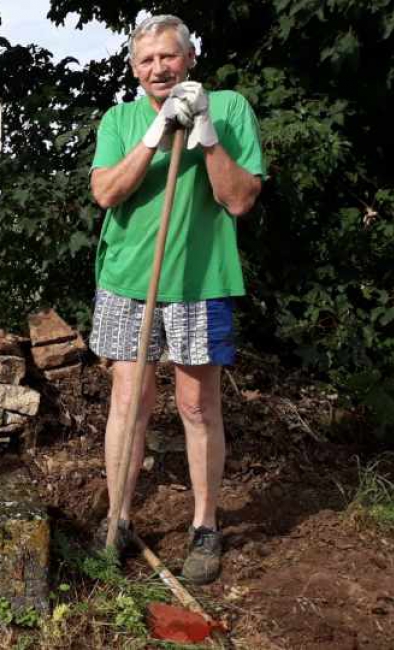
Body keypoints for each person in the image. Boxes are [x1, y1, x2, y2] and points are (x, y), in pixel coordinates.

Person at [88, 15, 265, 585]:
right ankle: (117, 519)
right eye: (146, 60)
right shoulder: (119, 119)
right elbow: (107, 191)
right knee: (128, 403)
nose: (158, 68)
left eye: (168, 56)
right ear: (135, 70)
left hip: (198, 280)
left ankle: (205, 526)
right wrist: (156, 134)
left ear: (189, 58)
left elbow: (238, 201)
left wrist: (205, 132)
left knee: (195, 406)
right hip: (127, 282)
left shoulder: (231, 108)